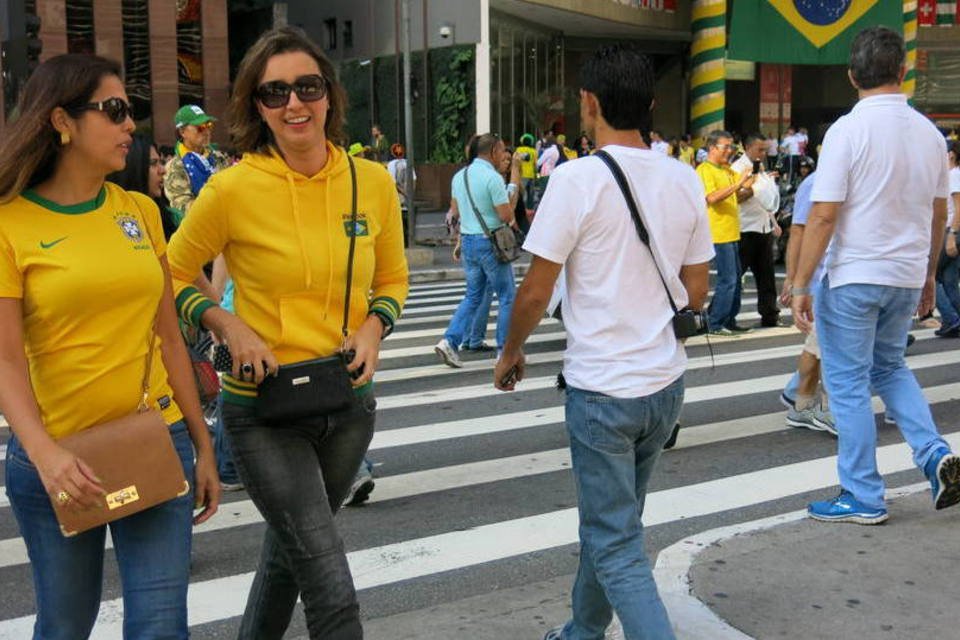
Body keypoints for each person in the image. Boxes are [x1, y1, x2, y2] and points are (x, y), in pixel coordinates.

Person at [166, 26, 409, 638]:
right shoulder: (231, 188)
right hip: (263, 409)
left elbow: (394, 278)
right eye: (275, 93)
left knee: (288, 561)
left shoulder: (371, 182)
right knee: (331, 591)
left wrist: (376, 327)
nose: (294, 104)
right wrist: (223, 320)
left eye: (307, 87)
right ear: (257, 106)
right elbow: (167, 272)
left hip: (347, 404)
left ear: (329, 95)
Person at [494, 44, 712, 640]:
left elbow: (536, 291)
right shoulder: (685, 178)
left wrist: (511, 350)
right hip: (664, 386)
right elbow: (698, 290)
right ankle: (582, 631)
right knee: (615, 524)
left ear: (588, 104)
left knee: (615, 542)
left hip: (602, 393)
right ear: (648, 105)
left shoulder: (575, 179)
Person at [0, 53, 219, 639]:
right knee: (66, 626)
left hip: (154, 437)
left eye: (132, 112)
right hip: (60, 461)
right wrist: (45, 457)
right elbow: (4, 360)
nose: (131, 127)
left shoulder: (140, 212)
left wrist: (200, 442)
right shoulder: (8, 225)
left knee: (161, 626)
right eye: (115, 111)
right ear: (61, 121)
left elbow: (168, 336)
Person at [793, 26, 960, 524]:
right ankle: (933, 455)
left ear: (851, 76)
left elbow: (823, 215)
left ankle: (863, 494)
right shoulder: (930, 135)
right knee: (890, 368)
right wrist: (929, 274)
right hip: (906, 272)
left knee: (846, 384)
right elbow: (937, 214)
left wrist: (801, 282)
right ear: (902, 70)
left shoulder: (847, 130)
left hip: (855, 273)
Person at [435, 133, 520, 368]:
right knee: (507, 296)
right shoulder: (492, 178)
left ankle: (450, 341)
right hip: (491, 243)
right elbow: (506, 215)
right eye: (502, 150)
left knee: (472, 295)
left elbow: (455, 211)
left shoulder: (459, 176)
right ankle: (504, 351)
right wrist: (512, 190)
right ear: (493, 151)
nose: (505, 155)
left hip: (469, 242)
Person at [778, 170, 836, 435]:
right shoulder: (816, 182)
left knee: (819, 348)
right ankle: (817, 408)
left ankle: (800, 403)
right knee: (825, 350)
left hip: (837, 278)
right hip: (822, 280)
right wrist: (795, 281)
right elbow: (799, 232)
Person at [697, 130, 755, 334]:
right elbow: (711, 198)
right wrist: (738, 184)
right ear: (712, 148)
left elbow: (739, 191)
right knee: (728, 279)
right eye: (726, 147)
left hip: (732, 232)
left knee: (736, 279)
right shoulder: (705, 170)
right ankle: (715, 322)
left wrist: (751, 183)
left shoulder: (726, 170)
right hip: (718, 232)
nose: (730, 151)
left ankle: (728, 318)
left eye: (732, 147)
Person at [731, 132, 783, 327]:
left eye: (765, 150)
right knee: (735, 276)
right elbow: (735, 197)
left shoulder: (759, 168)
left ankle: (770, 315)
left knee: (766, 276)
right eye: (759, 149)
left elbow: (766, 201)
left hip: (763, 228)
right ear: (747, 147)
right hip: (745, 228)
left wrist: (773, 222)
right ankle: (725, 316)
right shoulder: (737, 168)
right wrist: (753, 187)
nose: (763, 154)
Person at [164, 104, 231, 216]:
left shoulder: (219, 158)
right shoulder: (176, 166)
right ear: (182, 132)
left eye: (208, 125)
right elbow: (182, 206)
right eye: (200, 128)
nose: (206, 132)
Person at [934, 140, 960, 337]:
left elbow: (958, 207)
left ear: (951, 154)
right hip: (953, 231)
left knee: (929, 275)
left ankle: (951, 319)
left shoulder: (953, 175)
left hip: (951, 231)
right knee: (949, 280)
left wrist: (951, 235)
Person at [516, 133, 539, 210]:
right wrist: (537, 175)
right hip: (531, 175)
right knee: (530, 194)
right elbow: (536, 164)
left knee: (521, 193)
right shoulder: (534, 151)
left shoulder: (518, 150)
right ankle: (530, 210)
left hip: (521, 174)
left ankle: (521, 208)